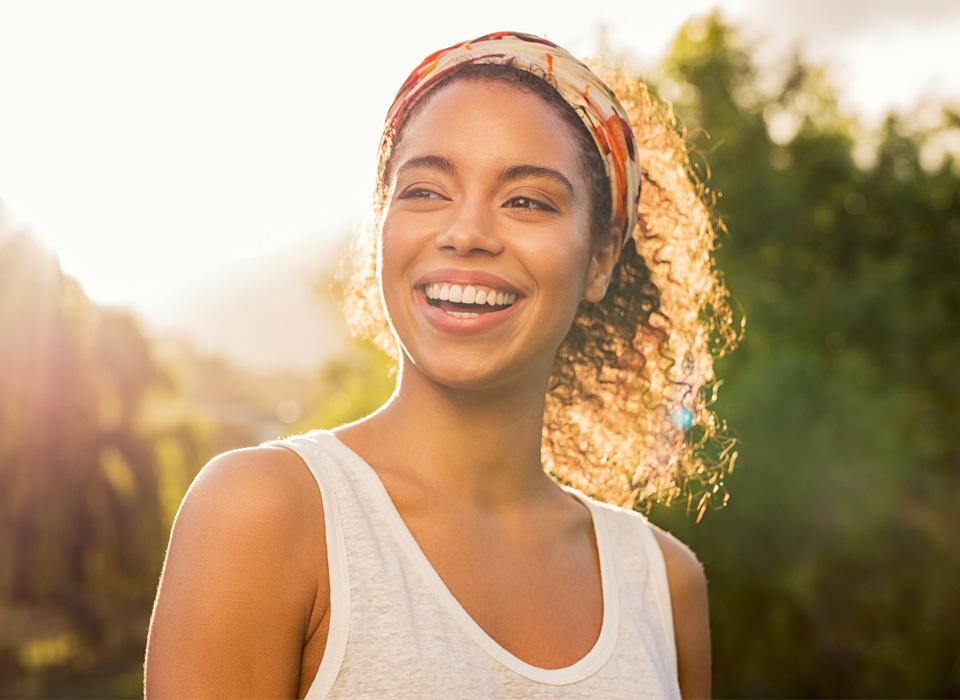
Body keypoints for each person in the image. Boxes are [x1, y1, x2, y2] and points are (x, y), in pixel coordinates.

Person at [145, 31, 735, 699]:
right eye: (425, 191)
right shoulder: (264, 514)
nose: (466, 233)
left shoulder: (663, 584)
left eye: (527, 201)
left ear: (600, 258)